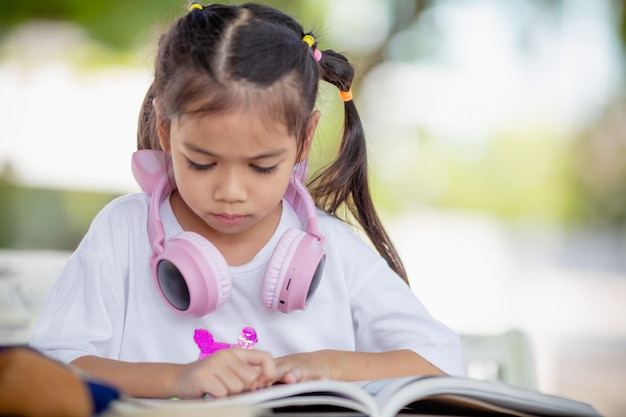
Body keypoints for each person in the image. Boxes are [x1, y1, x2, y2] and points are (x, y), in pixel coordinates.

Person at [30, 2, 464, 400]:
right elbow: (50, 368)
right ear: (166, 132)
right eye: (201, 163)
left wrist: (328, 364)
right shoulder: (121, 232)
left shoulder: (334, 249)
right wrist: (177, 379)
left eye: (261, 167)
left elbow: (441, 359)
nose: (231, 192)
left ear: (304, 140)